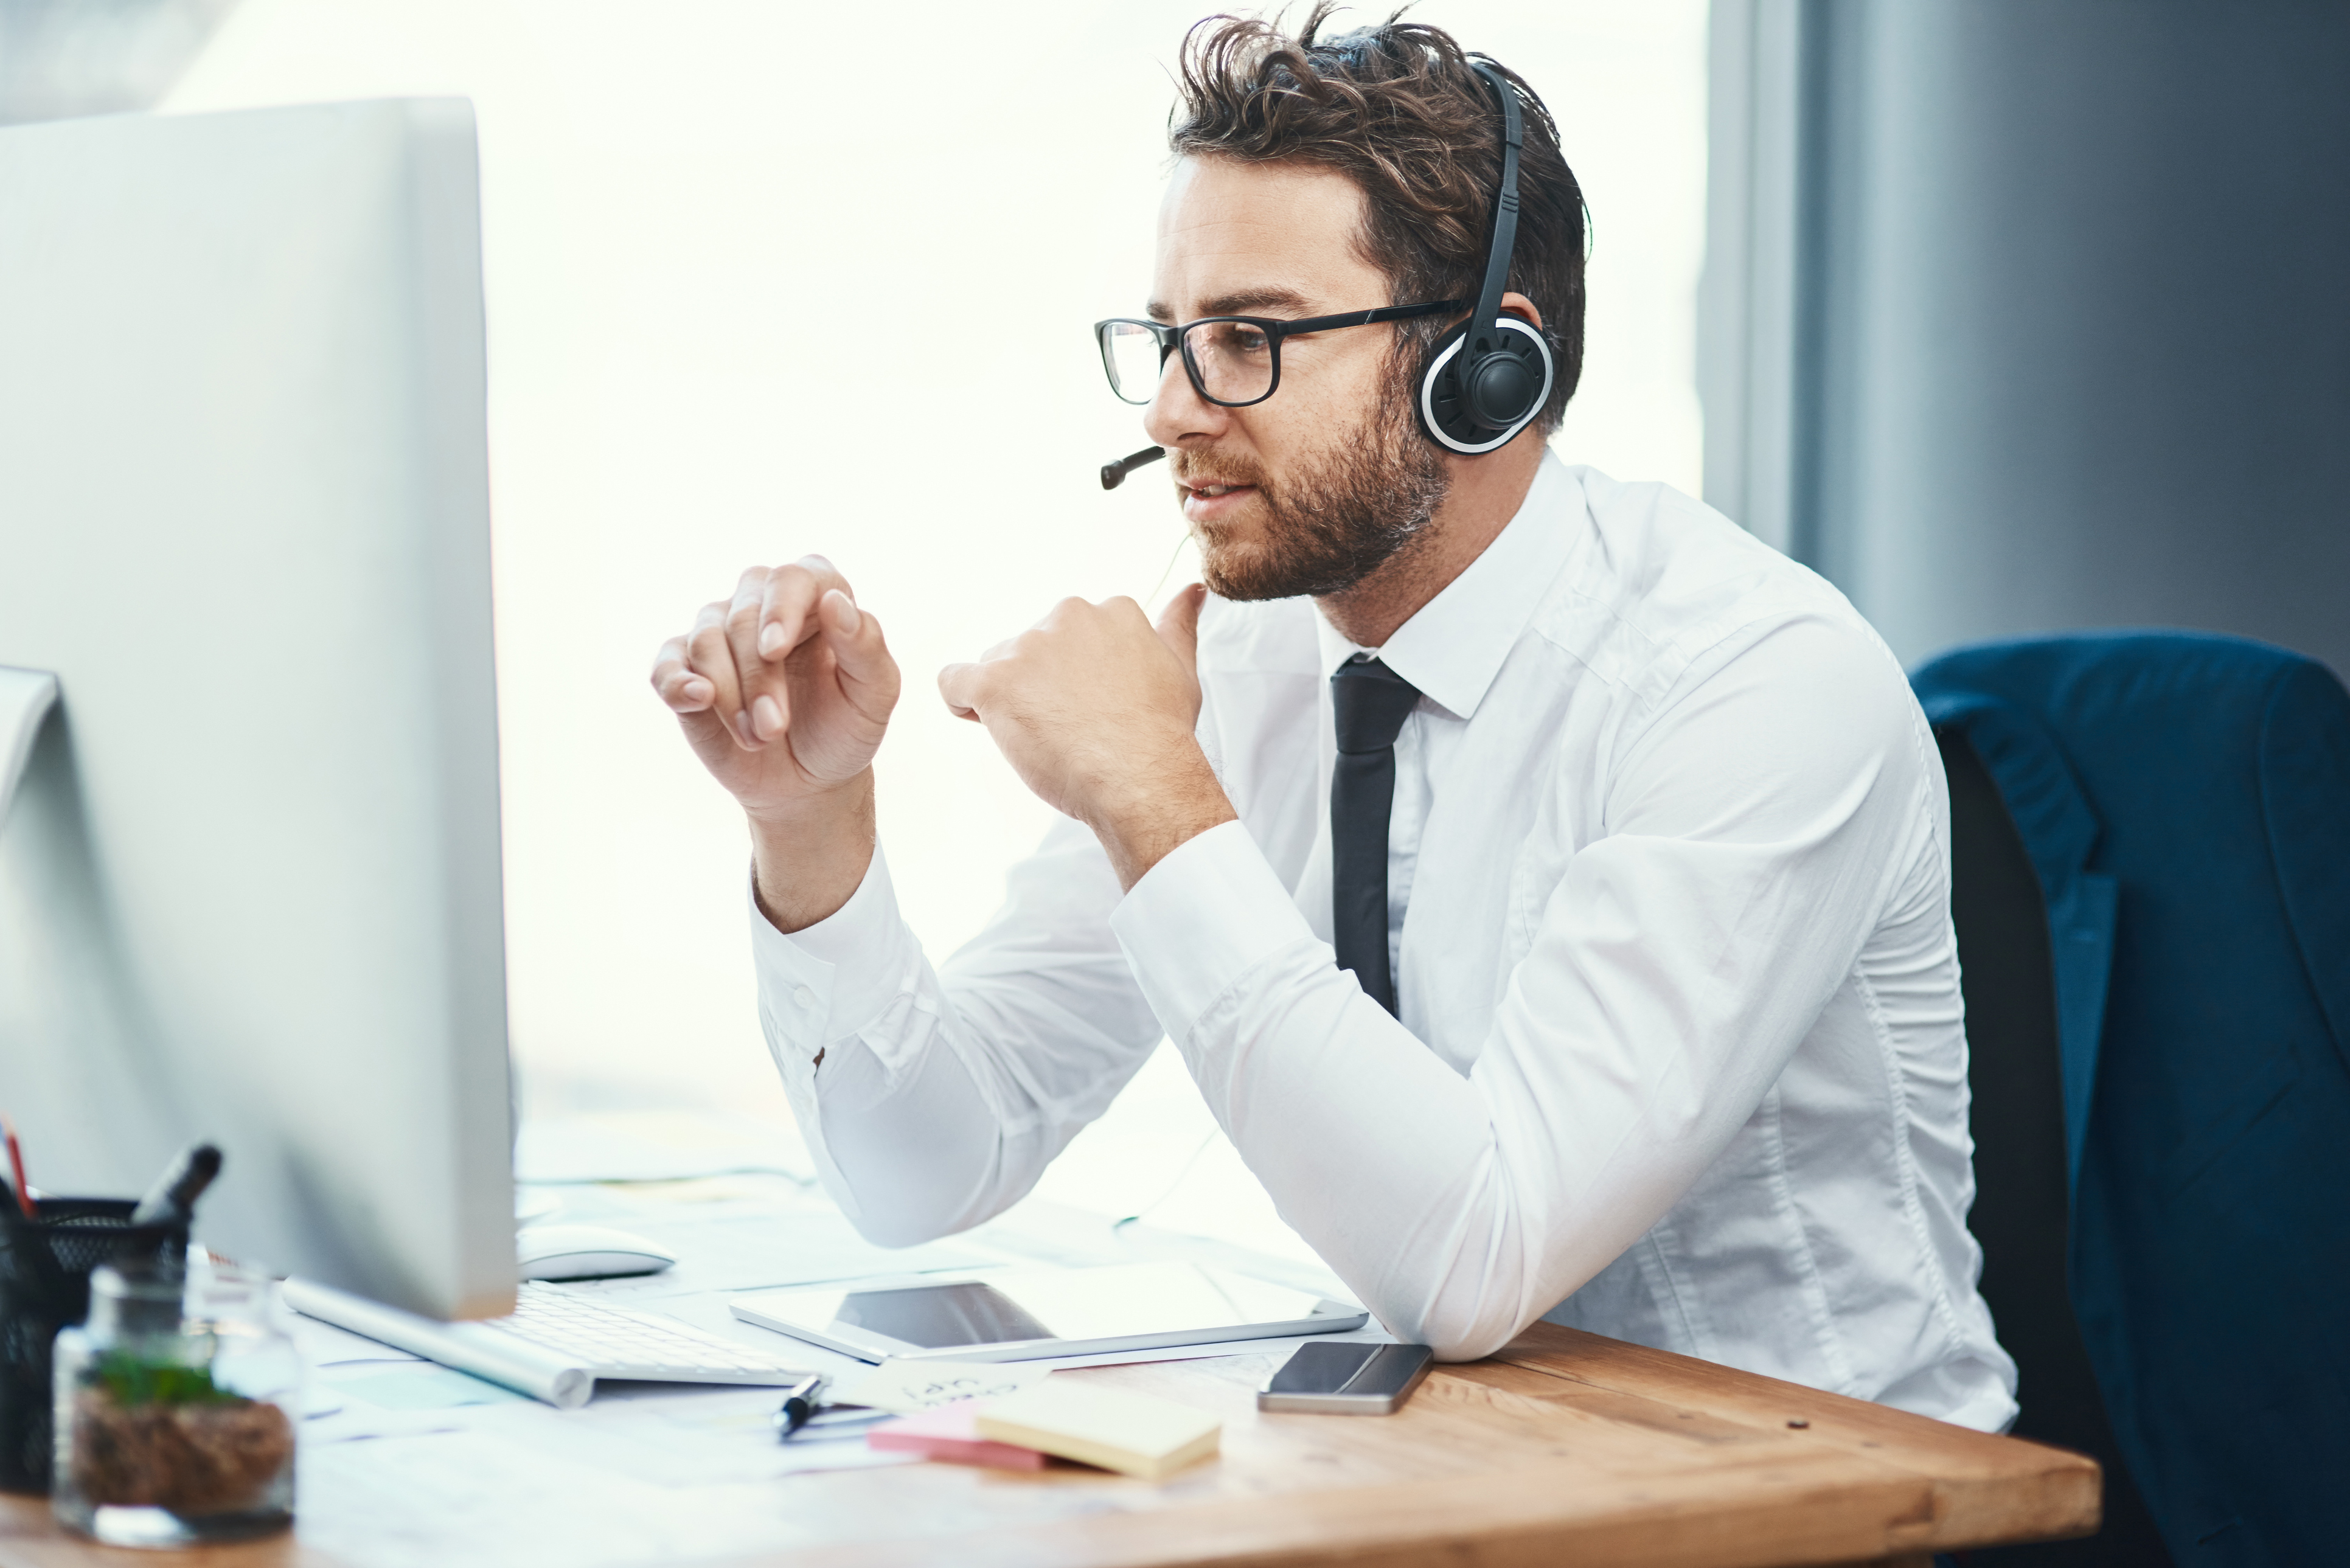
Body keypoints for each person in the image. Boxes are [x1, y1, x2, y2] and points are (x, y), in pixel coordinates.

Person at [650, 8, 2017, 1431]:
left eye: (1250, 338)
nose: (1176, 409)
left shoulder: (1751, 685)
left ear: (1489, 368)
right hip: (1460, 1475)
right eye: (1169, 338)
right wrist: (806, 818)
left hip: (1817, 1495)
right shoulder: (1243, 666)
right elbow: (920, 1168)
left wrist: (1153, 796)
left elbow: (1480, 1254)